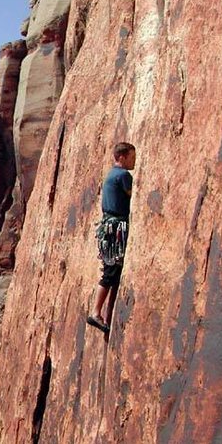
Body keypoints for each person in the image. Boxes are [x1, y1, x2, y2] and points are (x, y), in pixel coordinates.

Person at [87, 142, 136, 334]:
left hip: (108, 227)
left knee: (111, 269)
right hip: (117, 228)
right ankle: (96, 312)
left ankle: (102, 313)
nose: (134, 161)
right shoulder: (124, 176)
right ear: (122, 157)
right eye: (132, 157)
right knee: (111, 271)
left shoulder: (110, 175)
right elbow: (133, 195)